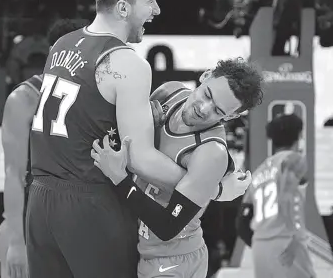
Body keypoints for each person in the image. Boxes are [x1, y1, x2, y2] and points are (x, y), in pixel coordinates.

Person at [26, 0, 249, 278]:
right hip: (88, 204)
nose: (157, 10)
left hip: (40, 201)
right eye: (150, 1)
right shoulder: (128, 63)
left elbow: (83, 119)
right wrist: (213, 188)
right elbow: (141, 159)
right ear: (122, 7)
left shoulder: (62, 45)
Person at [92, 58, 263, 278]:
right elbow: (128, 144)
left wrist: (120, 180)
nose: (203, 108)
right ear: (206, 75)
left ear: (231, 116)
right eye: (207, 94)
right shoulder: (169, 93)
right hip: (135, 242)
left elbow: (167, 227)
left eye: (218, 111)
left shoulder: (210, 152)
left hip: (172, 257)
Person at [0, 18, 89, 278]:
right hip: (29, 220)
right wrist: (16, 241)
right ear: (53, 53)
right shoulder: (25, 98)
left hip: (76, 222)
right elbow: (13, 174)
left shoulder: (97, 96)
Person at [236, 113, 315, 278]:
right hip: (286, 240)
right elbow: (287, 197)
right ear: (299, 135)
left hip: (260, 246)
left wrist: (264, 245)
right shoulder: (293, 159)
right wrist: (296, 238)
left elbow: (241, 221)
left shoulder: (259, 171)